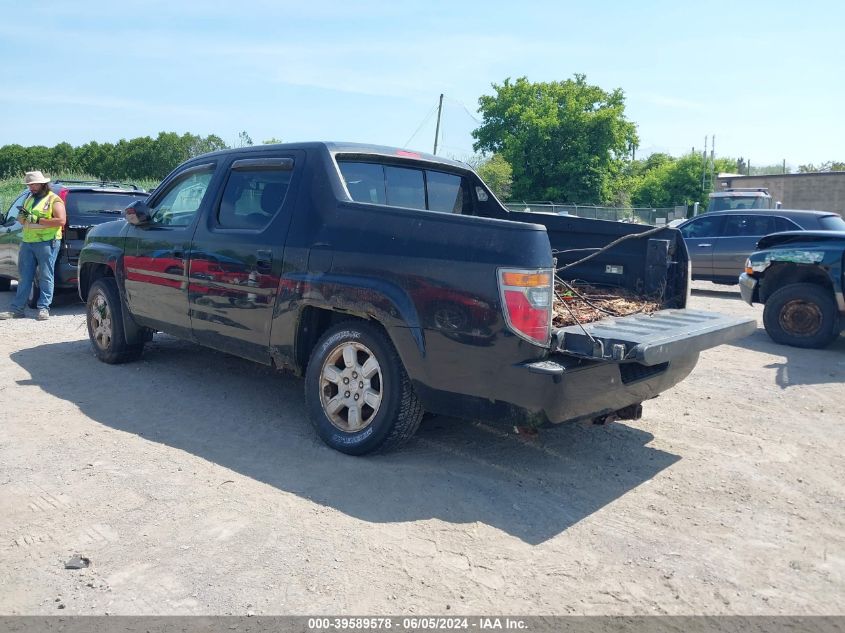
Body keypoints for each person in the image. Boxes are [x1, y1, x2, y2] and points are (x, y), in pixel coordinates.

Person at [0, 171, 67, 321]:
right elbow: (21, 220)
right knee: (24, 277)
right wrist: (23, 218)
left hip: (47, 241)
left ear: (43, 184)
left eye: (34, 185)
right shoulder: (29, 199)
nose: (31, 188)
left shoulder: (54, 200)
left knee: (45, 276)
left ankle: (43, 308)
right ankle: (17, 310)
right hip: (28, 241)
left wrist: (37, 220)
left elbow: (61, 221)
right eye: (29, 185)